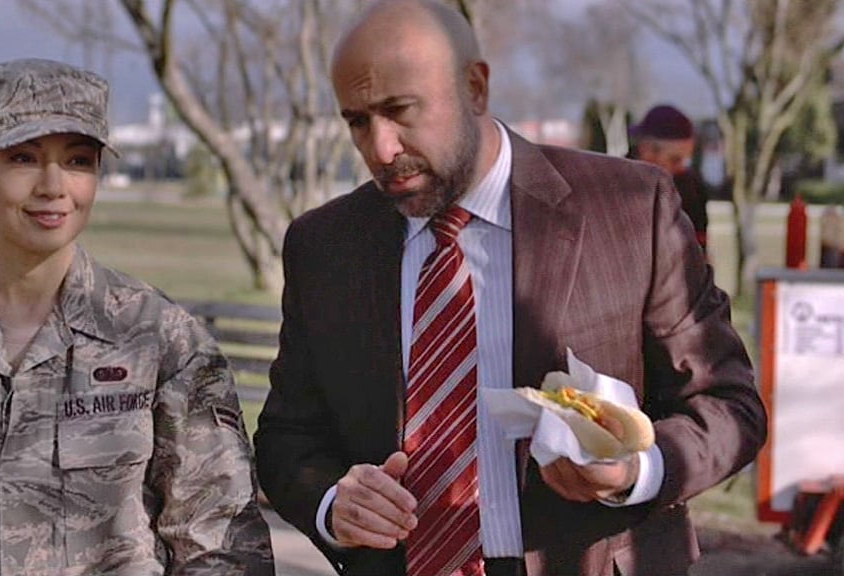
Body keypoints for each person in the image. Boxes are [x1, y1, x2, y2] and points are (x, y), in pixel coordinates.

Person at [253, 2, 767, 576]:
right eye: (357, 122)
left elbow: (728, 406)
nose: (381, 148)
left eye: (400, 111)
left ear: (475, 87)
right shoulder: (325, 245)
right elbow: (288, 436)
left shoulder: (629, 208)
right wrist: (333, 503)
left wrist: (636, 470)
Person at [0, 58, 273, 576]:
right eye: (23, 157)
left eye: (78, 160)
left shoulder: (160, 340)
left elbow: (222, 550)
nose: (54, 185)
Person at [628, 104, 711, 250]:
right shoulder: (614, 184)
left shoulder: (691, 187)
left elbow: (698, 247)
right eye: (675, 159)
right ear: (646, 150)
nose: (682, 167)